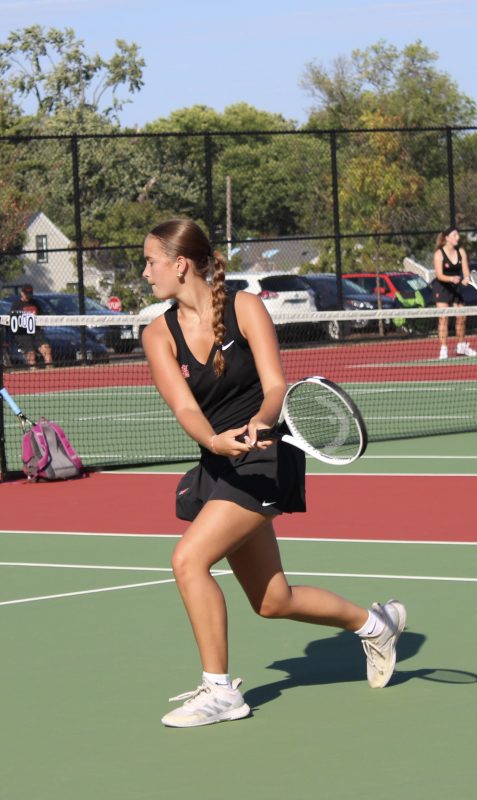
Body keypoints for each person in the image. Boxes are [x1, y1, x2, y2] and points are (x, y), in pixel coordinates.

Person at [140, 219, 406, 728]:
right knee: (272, 600)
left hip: (265, 461)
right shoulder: (158, 334)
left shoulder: (246, 308)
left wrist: (261, 422)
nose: (146, 271)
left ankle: (219, 692)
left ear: (181, 264)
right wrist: (215, 441)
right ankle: (376, 625)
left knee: (188, 560)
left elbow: (276, 386)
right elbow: (186, 410)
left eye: (152, 261)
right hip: (219, 463)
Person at [431, 227, 477, 359]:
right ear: (447, 238)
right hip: (442, 287)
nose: (458, 237)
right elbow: (439, 275)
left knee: (462, 317)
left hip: (456, 288)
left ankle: (462, 346)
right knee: (443, 318)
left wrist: (466, 278)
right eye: (455, 235)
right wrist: (451, 278)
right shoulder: (439, 254)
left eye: (458, 235)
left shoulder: (461, 251)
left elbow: (466, 270)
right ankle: (443, 348)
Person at [10, 284, 52, 368]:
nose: (28, 295)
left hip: (36, 331)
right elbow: (13, 320)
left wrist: (41, 324)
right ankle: (33, 371)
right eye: (26, 293)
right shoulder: (16, 305)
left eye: (30, 293)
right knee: (31, 354)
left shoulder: (35, 303)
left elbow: (41, 316)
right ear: (22, 293)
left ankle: (50, 370)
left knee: (46, 349)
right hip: (23, 333)